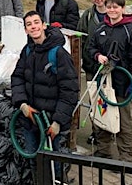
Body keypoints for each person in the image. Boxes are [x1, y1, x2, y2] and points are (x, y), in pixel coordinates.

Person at [11, 11, 79, 183]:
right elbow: (17, 77)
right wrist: (22, 104)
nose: (33, 26)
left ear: (44, 25)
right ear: (26, 30)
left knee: (56, 165)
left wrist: (57, 122)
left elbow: (70, 91)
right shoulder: (27, 51)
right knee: (35, 161)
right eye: (29, 24)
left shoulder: (58, 54)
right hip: (31, 120)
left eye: (36, 22)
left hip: (51, 122)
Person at [88, 0, 132, 162]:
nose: (112, 10)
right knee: (102, 116)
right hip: (103, 83)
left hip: (122, 83)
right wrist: (97, 56)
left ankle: (126, 158)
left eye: (115, 7)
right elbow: (90, 48)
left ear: (122, 8)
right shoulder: (100, 29)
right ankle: (103, 152)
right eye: (109, 7)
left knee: (123, 122)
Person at [77, 0, 109, 146]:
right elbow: (80, 38)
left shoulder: (113, 14)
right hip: (91, 66)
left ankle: (108, 132)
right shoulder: (88, 16)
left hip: (110, 69)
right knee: (94, 100)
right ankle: (96, 132)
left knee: (107, 100)